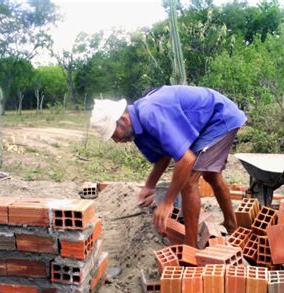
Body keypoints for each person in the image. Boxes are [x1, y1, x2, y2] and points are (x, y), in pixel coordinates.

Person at [90, 85, 247, 248]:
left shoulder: (150, 115)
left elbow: (186, 160)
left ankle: (190, 249)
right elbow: (164, 155)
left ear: (123, 119)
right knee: (211, 176)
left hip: (220, 117)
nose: (116, 140)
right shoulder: (138, 126)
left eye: (114, 134)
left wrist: (167, 203)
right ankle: (230, 225)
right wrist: (149, 186)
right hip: (209, 122)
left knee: (188, 182)